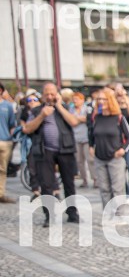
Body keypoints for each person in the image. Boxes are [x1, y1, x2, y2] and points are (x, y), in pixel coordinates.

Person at [22, 82, 81, 225]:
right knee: (46, 184)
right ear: (42, 96)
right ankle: (49, 215)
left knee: (69, 183)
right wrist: (42, 115)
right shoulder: (36, 111)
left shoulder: (65, 108)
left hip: (65, 149)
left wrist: (59, 107)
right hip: (44, 151)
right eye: (47, 94)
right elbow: (27, 129)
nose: (49, 96)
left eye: (52, 93)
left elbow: (74, 122)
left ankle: (72, 212)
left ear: (57, 94)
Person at [89, 88, 129, 221]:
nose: (101, 102)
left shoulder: (118, 117)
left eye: (104, 99)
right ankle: (108, 215)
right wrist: (91, 146)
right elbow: (92, 134)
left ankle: (120, 215)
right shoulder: (96, 117)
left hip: (115, 158)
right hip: (99, 157)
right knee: (104, 188)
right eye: (99, 99)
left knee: (117, 188)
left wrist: (123, 150)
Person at [69, 91, 93, 188]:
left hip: (86, 138)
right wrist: (80, 119)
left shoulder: (87, 108)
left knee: (90, 159)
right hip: (75, 138)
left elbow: (88, 119)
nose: (75, 101)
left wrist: (76, 118)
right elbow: (71, 122)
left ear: (82, 100)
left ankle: (95, 179)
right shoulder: (71, 109)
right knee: (79, 161)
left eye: (77, 99)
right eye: (73, 99)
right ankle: (84, 180)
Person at [0, 82, 16, 203]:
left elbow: (12, 124)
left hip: (5, 141)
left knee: (3, 169)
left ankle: (1, 193)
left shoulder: (8, 106)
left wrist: (11, 137)